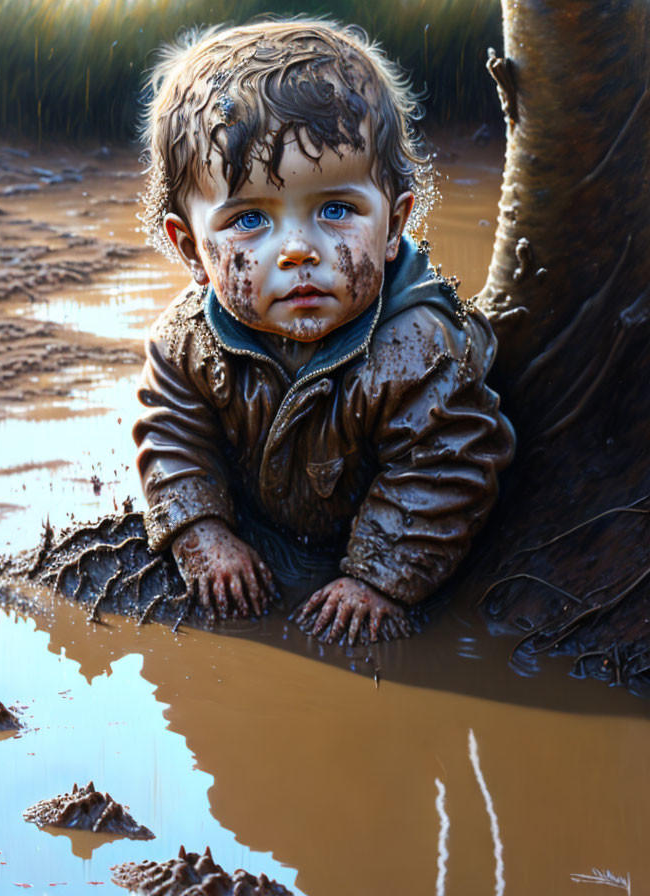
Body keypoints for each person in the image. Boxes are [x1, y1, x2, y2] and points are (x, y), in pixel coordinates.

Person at [133, 20, 515, 645]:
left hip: (374, 549)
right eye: (250, 219)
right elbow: (171, 431)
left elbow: (448, 465)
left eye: (336, 210)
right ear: (192, 251)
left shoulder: (417, 346)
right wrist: (198, 528)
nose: (297, 251)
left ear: (394, 222)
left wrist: (380, 580)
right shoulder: (187, 342)